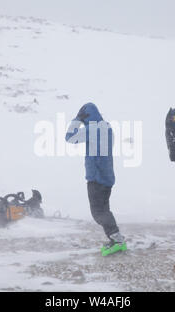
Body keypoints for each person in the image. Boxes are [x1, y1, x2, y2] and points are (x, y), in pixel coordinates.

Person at [65, 103, 125, 247]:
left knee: (98, 213)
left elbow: (69, 137)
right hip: (107, 176)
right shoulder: (107, 127)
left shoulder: (91, 129)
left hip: (96, 178)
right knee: (104, 210)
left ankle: (117, 238)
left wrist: (77, 120)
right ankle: (115, 238)